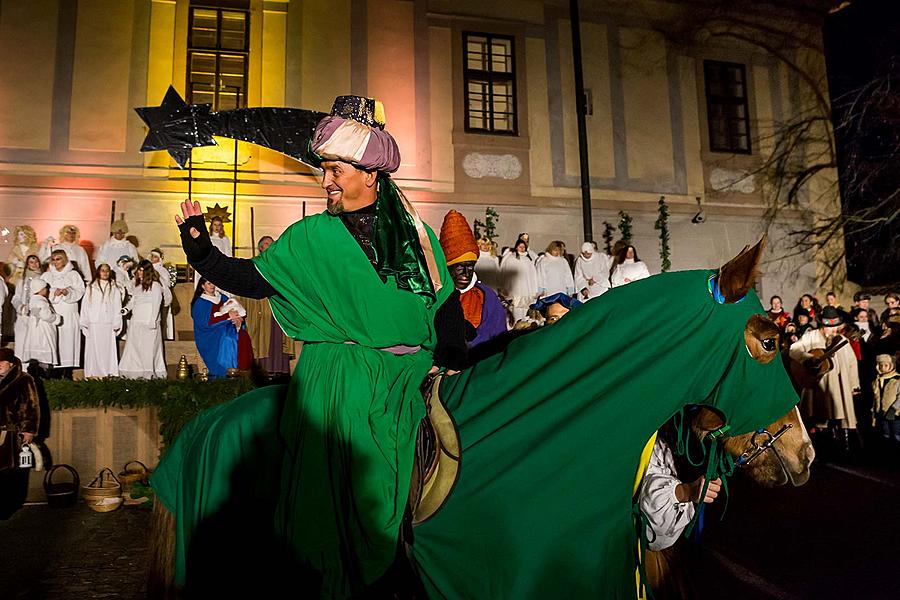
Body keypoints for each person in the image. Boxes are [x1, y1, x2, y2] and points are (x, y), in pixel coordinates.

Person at [155, 95, 465, 595]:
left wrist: (452, 354)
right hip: (340, 376)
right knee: (346, 495)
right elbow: (252, 279)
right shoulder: (309, 237)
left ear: (370, 173)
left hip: (410, 376)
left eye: (336, 170)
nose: (326, 182)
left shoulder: (417, 235)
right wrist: (200, 249)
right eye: (324, 170)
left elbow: (445, 300)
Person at [790, 305, 860, 451]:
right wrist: (808, 359)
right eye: (830, 327)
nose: (834, 330)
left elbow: (852, 363)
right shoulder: (811, 336)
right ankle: (823, 448)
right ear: (822, 325)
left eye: (836, 327)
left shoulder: (840, 340)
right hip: (818, 386)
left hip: (839, 386)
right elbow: (794, 349)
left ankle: (844, 448)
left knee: (841, 417)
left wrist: (854, 385)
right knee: (819, 418)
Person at [439, 211, 508, 349]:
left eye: (470, 267)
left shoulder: (487, 298)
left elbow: (500, 337)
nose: (466, 273)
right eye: (459, 267)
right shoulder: (435, 296)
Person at [0, 348, 41, 519]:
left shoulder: (24, 380)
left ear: (10, 363)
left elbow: (31, 406)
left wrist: (28, 430)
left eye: (2, 363)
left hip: (13, 434)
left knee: (13, 470)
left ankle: (11, 504)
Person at [191, 278, 253, 378]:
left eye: (213, 283)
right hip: (211, 336)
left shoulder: (222, 297)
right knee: (228, 340)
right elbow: (205, 323)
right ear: (202, 286)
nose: (212, 285)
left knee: (236, 338)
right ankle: (222, 375)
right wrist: (228, 317)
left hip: (227, 330)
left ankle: (236, 371)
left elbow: (234, 309)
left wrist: (238, 319)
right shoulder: (200, 303)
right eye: (208, 283)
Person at [119, 260, 170, 379]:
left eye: (142, 270)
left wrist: (153, 320)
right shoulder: (137, 286)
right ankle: (134, 372)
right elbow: (134, 301)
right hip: (136, 321)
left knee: (148, 349)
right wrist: (125, 309)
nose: (139, 272)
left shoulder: (155, 286)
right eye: (139, 270)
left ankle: (149, 373)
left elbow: (156, 303)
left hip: (148, 323)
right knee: (134, 348)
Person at [42, 249, 85, 370]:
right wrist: (53, 293)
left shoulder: (73, 274)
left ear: (65, 259)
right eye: (54, 259)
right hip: (53, 311)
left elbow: (81, 290)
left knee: (68, 339)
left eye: (58, 259)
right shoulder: (47, 275)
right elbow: (40, 291)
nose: (56, 262)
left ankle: (67, 370)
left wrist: (68, 292)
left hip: (68, 312)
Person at [80, 264, 124, 378]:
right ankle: (93, 373)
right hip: (94, 321)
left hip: (107, 322)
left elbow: (117, 306)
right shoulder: (91, 287)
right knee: (93, 349)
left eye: (107, 271)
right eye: (102, 270)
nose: (105, 273)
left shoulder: (114, 288)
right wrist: (84, 321)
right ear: (98, 272)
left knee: (107, 349)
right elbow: (85, 305)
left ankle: (108, 372)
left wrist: (117, 322)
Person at [19, 280, 61, 367]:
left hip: (35, 328)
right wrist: (56, 318)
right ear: (40, 289)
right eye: (45, 288)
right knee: (44, 347)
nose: (47, 290)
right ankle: (44, 371)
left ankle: (36, 368)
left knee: (36, 348)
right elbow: (46, 315)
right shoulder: (41, 302)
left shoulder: (33, 300)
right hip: (43, 329)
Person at [11, 255, 43, 361]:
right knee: (22, 344)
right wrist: (21, 307)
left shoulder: (44, 278)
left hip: (39, 317)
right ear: (27, 265)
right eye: (31, 262)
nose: (34, 264)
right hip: (24, 317)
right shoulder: (22, 281)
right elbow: (15, 298)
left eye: (36, 261)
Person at [500, 238, 539, 322]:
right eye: (520, 247)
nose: (522, 249)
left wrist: (535, 289)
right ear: (516, 247)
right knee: (516, 310)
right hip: (516, 289)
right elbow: (507, 274)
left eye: (523, 247)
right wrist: (506, 288)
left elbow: (533, 276)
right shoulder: (511, 259)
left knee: (526, 310)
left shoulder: (528, 260)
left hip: (527, 289)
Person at [872, 354, 900, 449]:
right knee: (885, 434)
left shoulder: (897, 379)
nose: (883, 368)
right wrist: (874, 410)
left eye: (886, 365)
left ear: (891, 365)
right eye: (880, 365)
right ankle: (888, 455)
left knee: (896, 435)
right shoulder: (877, 380)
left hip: (895, 414)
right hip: (882, 412)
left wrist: (894, 408)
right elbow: (876, 397)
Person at [149, 248, 176, 341]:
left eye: (155, 256)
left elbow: (166, 284)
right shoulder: (148, 269)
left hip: (160, 297)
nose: (152, 258)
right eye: (152, 256)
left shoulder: (162, 270)